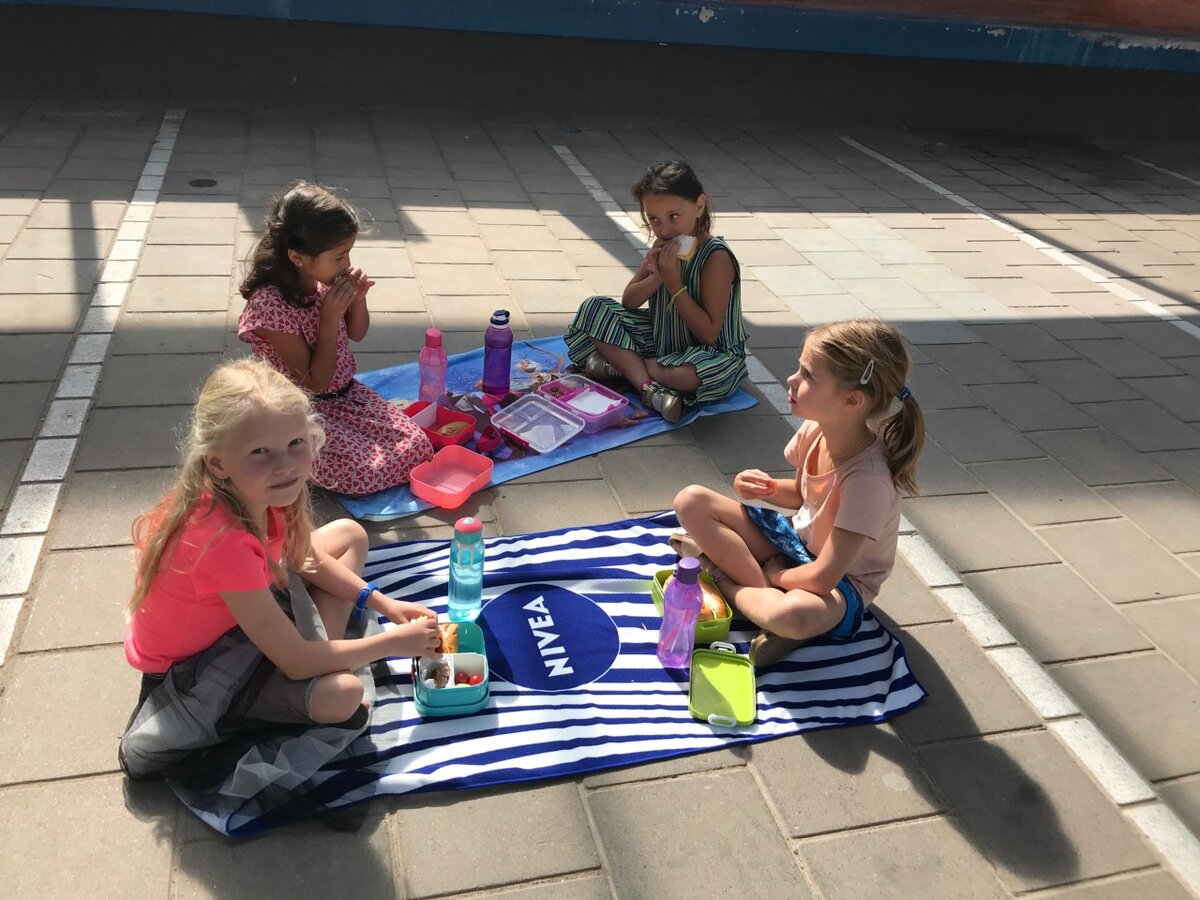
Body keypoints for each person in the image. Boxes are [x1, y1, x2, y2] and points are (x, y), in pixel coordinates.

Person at [119, 358, 439, 782]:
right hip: (193, 673)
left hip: (235, 619)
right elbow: (296, 662)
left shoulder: (250, 493)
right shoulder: (222, 542)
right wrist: (393, 644)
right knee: (345, 694)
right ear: (217, 463)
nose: (285, 465)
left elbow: (303, 555)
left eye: (295, 443)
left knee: (349, 534)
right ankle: (322, 664)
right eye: (260, 452)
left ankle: (326, 653)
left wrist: (380, 601)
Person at [672, 319, 924, 667]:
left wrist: (777, 575)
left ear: (852, 400)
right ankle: (767, 607)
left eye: (808, 375)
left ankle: (722, 578)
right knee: (691, 501)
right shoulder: (816, 429)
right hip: (793, 543)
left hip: (842, 583)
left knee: (794, 615)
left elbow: (823, 577)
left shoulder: (868, 481)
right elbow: (805, 497)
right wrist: (769, 489)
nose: (792, 379)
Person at [238, 181, 433, 495]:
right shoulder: (270, 306)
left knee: (418, 446)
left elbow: (357, 332)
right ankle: (288, 455)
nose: (347, 265)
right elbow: (314, 383)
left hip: (347, 395)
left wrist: (358, 300)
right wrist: (328, 318)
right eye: (339, 256)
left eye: (348, 254)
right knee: (364, 472)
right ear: (298, 258)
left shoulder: (322, 281)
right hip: (302, 410)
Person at [564, 161, 748, 423]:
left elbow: (709, 333)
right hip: (662, 339)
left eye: (674, 217)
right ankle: (650, 389)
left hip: (708, 352)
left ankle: (627, 369)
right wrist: (657, 277)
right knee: (594, 308)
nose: (664, 230)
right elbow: (629, 301)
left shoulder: (715, 257)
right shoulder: (663, 245)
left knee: (693, 375)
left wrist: (674, 283)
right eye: (654, 220)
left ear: (699, 205)